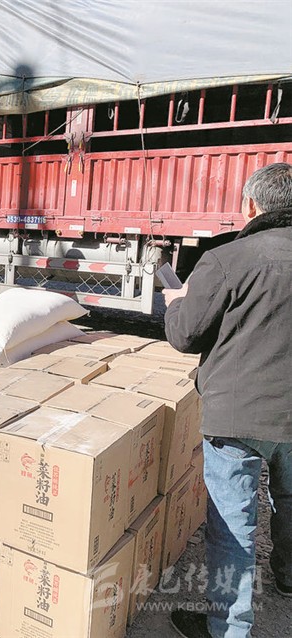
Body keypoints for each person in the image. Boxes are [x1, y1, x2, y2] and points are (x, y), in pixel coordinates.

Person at [164, 162, 292, 638]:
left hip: (237, 416)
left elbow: (186, 335)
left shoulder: (226, 259)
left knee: (234, 525)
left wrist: (176, 304)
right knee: (291, 498)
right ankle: (288, 577)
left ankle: (229, 630)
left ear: (251, 206)